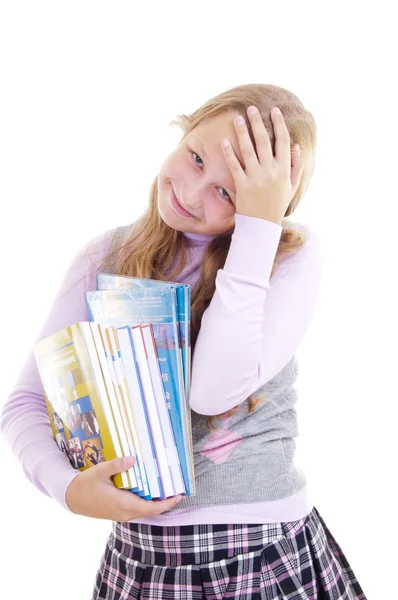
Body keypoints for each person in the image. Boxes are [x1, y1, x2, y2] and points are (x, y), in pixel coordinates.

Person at [0, 83, 368, 599]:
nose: (192, 194)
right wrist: (68, 489)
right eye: (196, 158)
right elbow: (26, 402)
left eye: (228, 193)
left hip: (257, 550)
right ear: (184, 128)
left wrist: (257, 229)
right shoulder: (104, 256)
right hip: (138, 558)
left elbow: (212, 393)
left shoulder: (287, 254)